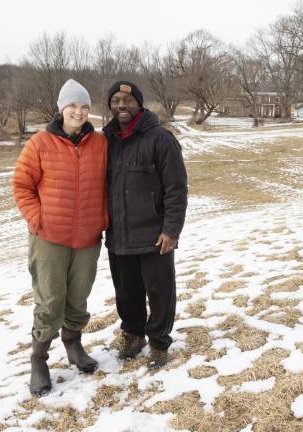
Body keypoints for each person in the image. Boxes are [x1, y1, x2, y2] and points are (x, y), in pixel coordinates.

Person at [12, 79, 108, 396]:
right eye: (72, 106)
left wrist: (103, 218)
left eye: (84, 106)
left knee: (77, 298)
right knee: (51, 301)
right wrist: (37, 218)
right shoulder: (40, 143)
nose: (79, 112)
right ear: (61, 109)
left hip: (88, 238)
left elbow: (110, 184)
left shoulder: (100, 144)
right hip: (49, 238)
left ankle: (73, 345)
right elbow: (22, 185)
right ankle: (39, 360)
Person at [103, 80, 187, 369]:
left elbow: (176, 188)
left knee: (160, 291)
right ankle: (134, 335)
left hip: (155, 235)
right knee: (127, 292)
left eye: (127, 100)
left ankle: (159, 342)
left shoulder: (160, 139)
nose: (121, 106)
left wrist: (171, 230)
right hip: (119, 235)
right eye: (115, 101)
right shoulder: (107, 140)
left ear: (139, 103)